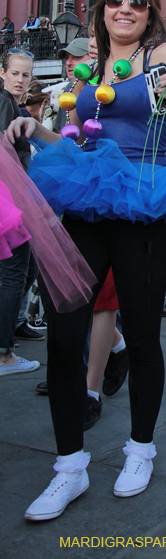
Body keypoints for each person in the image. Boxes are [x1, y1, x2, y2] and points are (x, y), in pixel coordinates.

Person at [7, 0, 166, 520]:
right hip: (87, 196)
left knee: (145, 331)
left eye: (136, 2)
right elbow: (81, 138)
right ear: (101, 12)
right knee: (64, 333)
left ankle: (140, 449)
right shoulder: (88, 67)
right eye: (113, 1)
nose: (124, 8)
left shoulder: (161, 61)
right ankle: (69, 467)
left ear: (149, 14)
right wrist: (37, 128)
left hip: (145, 195)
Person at [0, 49, 42, 375]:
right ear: (3, 73)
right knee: (16, 274)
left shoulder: (13, 105)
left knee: (22, 273)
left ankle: (11, 332)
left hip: (12, 204)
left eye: (25, 75)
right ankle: (4, 355)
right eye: (15, 73)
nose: (20, 80)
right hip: (10, 205)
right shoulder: (4, 104)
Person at [52, 38, 91, 132]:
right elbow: (64, 136)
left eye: (76, 57)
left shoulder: (106, 86)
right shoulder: (69, 88)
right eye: (67, 58)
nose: (68, 63)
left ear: (93, 56)